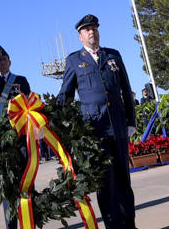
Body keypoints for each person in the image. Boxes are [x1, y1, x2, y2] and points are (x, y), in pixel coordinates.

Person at [58, 14, 136, 229]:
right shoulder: (74, 60)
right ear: (80, 36)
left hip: (118, 127)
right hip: (95, 132)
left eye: (94, 28)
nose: (92, 31)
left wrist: (131, 121)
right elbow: (65, 95)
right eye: (87, 29)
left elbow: (126, 90)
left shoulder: (113, 56)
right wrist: (58, 124)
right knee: (105, 183)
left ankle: (129, 225)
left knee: (123, 181)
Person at [0, 46, 31, 229]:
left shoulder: (21, 80)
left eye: (5, 59)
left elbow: (29, 106)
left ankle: (29, 223)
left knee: (25, 184)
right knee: (7, 189)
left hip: (20, 140)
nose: (2, 62)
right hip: (1, 144)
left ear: (10, 62)